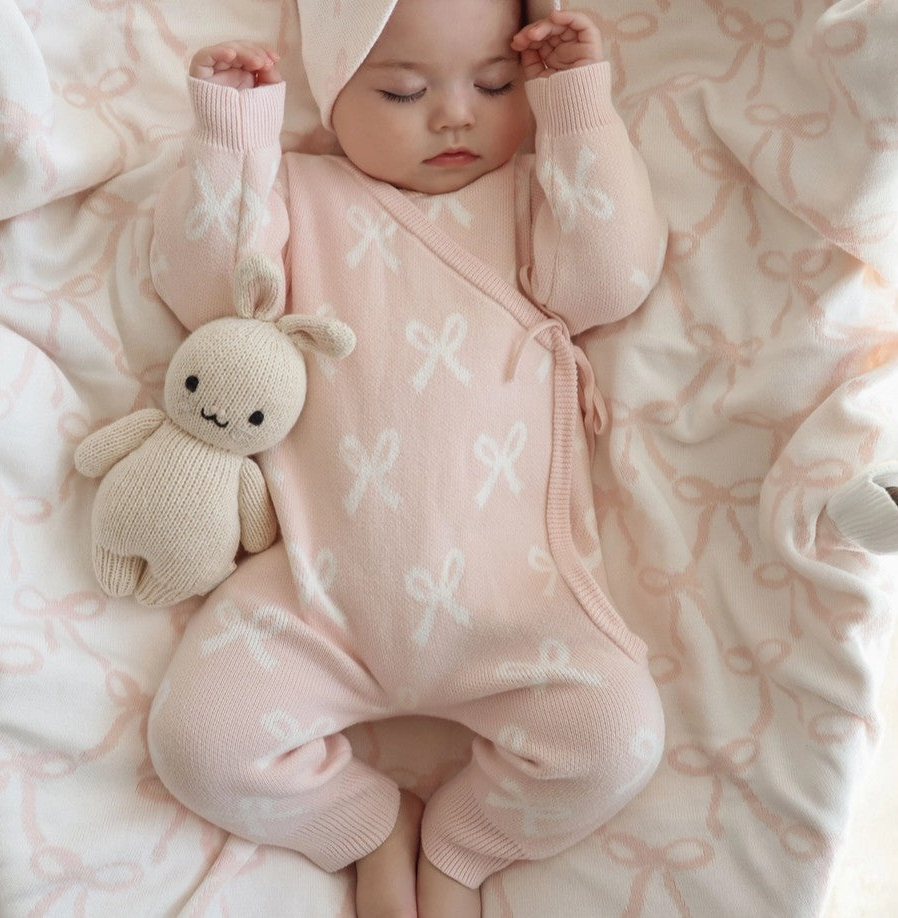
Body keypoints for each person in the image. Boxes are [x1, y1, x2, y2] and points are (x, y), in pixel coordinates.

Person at [146, 1, 668, 915]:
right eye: (402, 89)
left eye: (495, 84)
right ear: (333, 90)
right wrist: (234, 138)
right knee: (199, 742)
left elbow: (609, 277)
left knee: (616, 735)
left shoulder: (523, 197)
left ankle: (462, 843)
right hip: (316, 596)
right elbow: (209, 291)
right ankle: (368, 824)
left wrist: (576, 105)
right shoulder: (304, 197)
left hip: (519, 604)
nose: (456, 113)